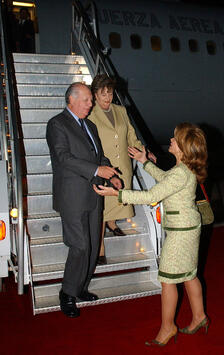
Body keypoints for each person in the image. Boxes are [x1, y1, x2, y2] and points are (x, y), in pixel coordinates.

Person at [93, 123, 209, 346]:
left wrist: (117, 194)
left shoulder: (179, 173)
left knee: (167, 280)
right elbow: (166, 180)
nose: (172, 141)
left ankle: (168, 327)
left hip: (181, 232)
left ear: (183, 148)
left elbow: (152, 195)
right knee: (189, 275)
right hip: (188, 227)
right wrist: (144, 162)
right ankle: (199, 317)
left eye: (175, 139)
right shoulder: (183, 170)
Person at [46, 82, 121, 318]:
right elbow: (63, 158)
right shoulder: (57, 124)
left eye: (91, 100)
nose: (92, 104)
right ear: (72, 100)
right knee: (79, 246)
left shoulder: (89, 125)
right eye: (88, 100)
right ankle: (67, 293)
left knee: (90, 247)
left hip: (93, 194)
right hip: (72, 197)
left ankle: (81, 288)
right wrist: (98, 170)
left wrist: (111, 175)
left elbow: (98, 155)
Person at [88, 74, 156, 265]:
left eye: (109, 93)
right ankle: (100, 248)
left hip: (122, 165)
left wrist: (144, 152)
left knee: (118, 201)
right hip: (104, 167)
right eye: (103, 94)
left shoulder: (121, 111)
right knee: (101, 209)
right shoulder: (90, 113)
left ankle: (113, 223)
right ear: (94, 95)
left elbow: (131, 136)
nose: (107, 98)